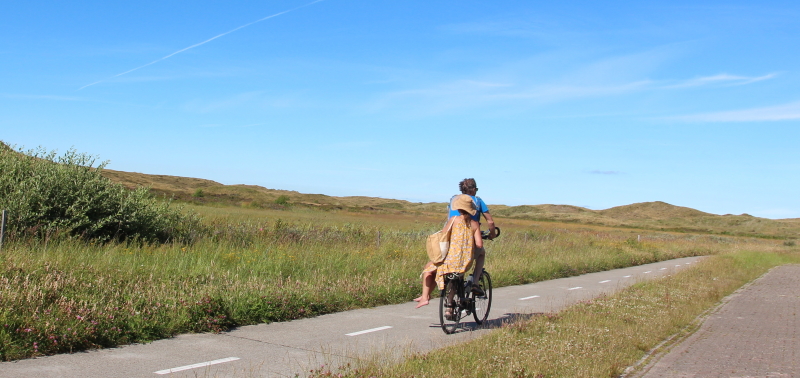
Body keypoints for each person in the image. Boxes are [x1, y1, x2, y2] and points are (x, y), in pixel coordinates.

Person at [414, 194, 483, 308]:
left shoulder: (453, 220)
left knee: (428, 268)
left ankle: (425, 297)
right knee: (436, 270)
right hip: (465, 263)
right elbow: (479, 244)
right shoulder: (475, 224)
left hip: (451, 261)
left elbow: (443, 235)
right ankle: (473, 283)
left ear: (458, 208)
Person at [448, 178, 495, 293]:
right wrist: (492, 234)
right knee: (481, 253)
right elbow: (490, 222)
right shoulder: (477, 201)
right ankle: (474, 283)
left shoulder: (454, 199)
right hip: (470, 237)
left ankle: (451, 302)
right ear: (473, 189)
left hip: (452, 238)